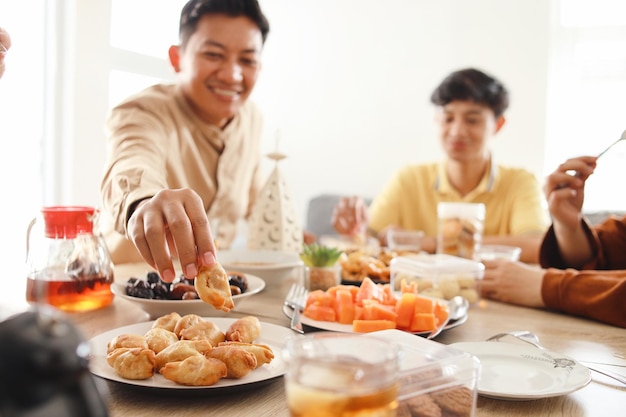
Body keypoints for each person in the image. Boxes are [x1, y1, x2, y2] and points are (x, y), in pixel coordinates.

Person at [100, 0, 270, 283]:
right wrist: (144, 202)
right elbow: (131, 161)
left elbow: (258, 202)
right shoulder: (143, 111)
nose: (232, 75)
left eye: (247, 60)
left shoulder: (251, 117)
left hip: (211, 299)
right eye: (214, 55)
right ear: (177, 58)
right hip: (132, 293)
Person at [332, 68, 548, 263]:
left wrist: (431, 243)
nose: (457, 131)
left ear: (498, 125)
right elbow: (366, 240)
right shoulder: (409, 179)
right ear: (437, 119)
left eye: (472, 120)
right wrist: (352, 228)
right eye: (448, 118)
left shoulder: (521, 182)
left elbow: (537, 247)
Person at [481, 155, 626, 328]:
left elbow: (534, 244)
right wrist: (569, 227)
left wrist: (547, 286)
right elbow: (611, 250)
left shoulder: (519, 179)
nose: (457, 131)